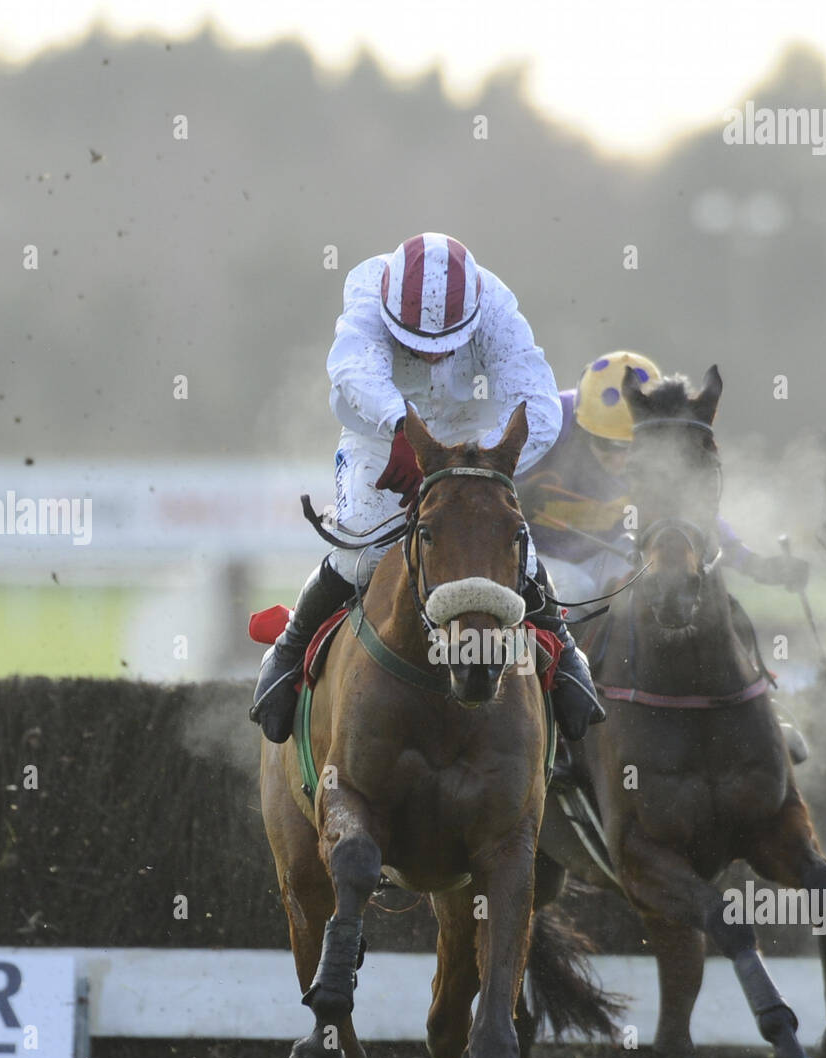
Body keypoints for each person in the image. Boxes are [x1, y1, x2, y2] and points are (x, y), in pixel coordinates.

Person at [250, 233, 605, 744]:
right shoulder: (367, 289)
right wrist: (400, 426)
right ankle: (289, 650)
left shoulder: (497, 306)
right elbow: (353, 369)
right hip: (382, 435)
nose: (432, 358)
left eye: (445, 347)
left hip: (472, 442)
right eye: (415, 344)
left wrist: (481, 466)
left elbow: (538, 401)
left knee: (508, 549)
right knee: (365, 551)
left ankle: (565, 652)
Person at [516, 350, 812, 760]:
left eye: (630, 448)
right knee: (579, 591)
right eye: (605, 446)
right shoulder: (543, 424)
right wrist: (512, 494)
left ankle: (755, 702)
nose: (619, 461)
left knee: (677, 584)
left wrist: (754, 563)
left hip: (615, 547)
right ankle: (555, 727)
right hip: (546, 557)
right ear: (583, 427)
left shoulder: (659, 445)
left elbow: (695, 516)